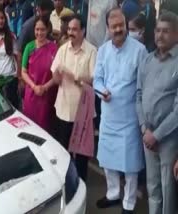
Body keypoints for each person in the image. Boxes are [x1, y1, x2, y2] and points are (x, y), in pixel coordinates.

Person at [93, 8, 146, 214]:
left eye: (121, 25)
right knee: (107, 159)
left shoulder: (139, 50)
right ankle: (113, 193)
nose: (118, 30)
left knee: (130, 165)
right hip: (109, 116)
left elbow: (143, 85)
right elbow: (97, 79)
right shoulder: (103, 50)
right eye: (113, 26)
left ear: (125, 24)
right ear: (107, 27)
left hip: (130, 118)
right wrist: (101, 91)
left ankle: (129, 203)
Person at [136, 11, 178, 214]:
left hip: (168, 139)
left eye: (166, 32)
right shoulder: (147, 60)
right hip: (148, 135)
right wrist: (144, 128)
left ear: (176, 35)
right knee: (153, 188)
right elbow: (138, 95)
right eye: (158, 31)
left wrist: (157, 135)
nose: (160, 35)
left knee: (168, 190)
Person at [51, 14, 97, 182]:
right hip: (63, 109)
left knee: (82, 156)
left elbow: (94, 80)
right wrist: (57, 74)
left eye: (75, 29)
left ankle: (82, 186)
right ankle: (67, 184)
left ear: (83, 31)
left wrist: (75, 78)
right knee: (64, 152)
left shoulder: (92, 51)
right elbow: (56, 80)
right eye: (69, 29)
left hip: (83, 113)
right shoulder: (62, 50)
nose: (71, 32)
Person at [21, 16, 58, 134]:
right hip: (31, 94)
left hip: (47, 96)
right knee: (30, 128)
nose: (39, 33)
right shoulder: (29, 47)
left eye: (42, 29)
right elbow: (23, 71)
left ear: (47, 30)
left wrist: (44, 87)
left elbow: (57, 75)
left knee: (45, 128)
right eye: (37, 29)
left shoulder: (54, 48)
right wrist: (34, 87)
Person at [0, 8, 20, 108]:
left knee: (12, 107)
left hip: (10, 79)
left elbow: (18, 57)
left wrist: (19, 77)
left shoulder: (11, 37)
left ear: (5, 20)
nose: (0, 20)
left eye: (2, 18)